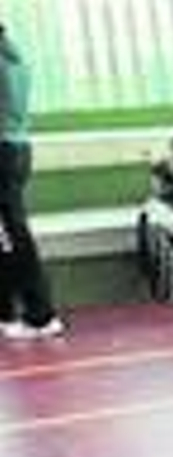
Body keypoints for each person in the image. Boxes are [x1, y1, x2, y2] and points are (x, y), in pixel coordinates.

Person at [0, 22, 65, 341]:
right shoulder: (15, 60)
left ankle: (41, 315)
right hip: (17, 149)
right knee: (9, 235)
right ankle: (10, 313)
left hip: (3, 152)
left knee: (13, 235)